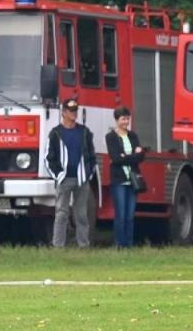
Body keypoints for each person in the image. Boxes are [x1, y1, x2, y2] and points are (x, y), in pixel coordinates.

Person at [45, 97, 97, 248]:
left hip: (81, 180)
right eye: (70, 111)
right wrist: (59, 175)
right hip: (64, 180)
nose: (74, 113)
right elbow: (48, 158)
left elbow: (92, 156)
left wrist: (88, 174)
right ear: (63, 113)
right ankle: (58, 246)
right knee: (61, 214)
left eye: (75, 111)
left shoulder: (84, 132)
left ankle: (83, 245)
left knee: (81, 215)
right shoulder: (55, 133)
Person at [105, 106, 145, 249]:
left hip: (133, 180)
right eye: (123, 119)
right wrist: (133, 155)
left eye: (128, 119)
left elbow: (141, 156)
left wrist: (126, 157)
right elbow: (115, 158)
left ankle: (128, 244)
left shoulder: (133, 136)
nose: (126, 122)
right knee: (120, 215)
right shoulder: (111, 137)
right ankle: (120, 244)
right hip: (119, 181)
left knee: (130, 215)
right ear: (117, 120)